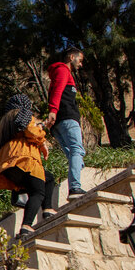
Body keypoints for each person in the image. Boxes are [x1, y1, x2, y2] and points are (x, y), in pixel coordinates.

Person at [0, 94, 58, 241]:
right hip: (25, 158)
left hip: (9, 163)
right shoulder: (23, 113)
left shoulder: (6, 121)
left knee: (49, 178)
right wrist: (42, 139)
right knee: (37, 192)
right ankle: (26, 226)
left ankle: (47, 210)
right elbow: (30, 130)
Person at [45, 48, 87, 199]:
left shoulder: (59, 72)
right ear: (71, 57)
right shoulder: (63, 70)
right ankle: (75, 187)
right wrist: (53, 111)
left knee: (74, 155)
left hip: (59, 123)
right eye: (80, 60)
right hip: (67, 118)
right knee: (78, 150)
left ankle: (75, 183)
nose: (80, 65)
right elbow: (57, 90)